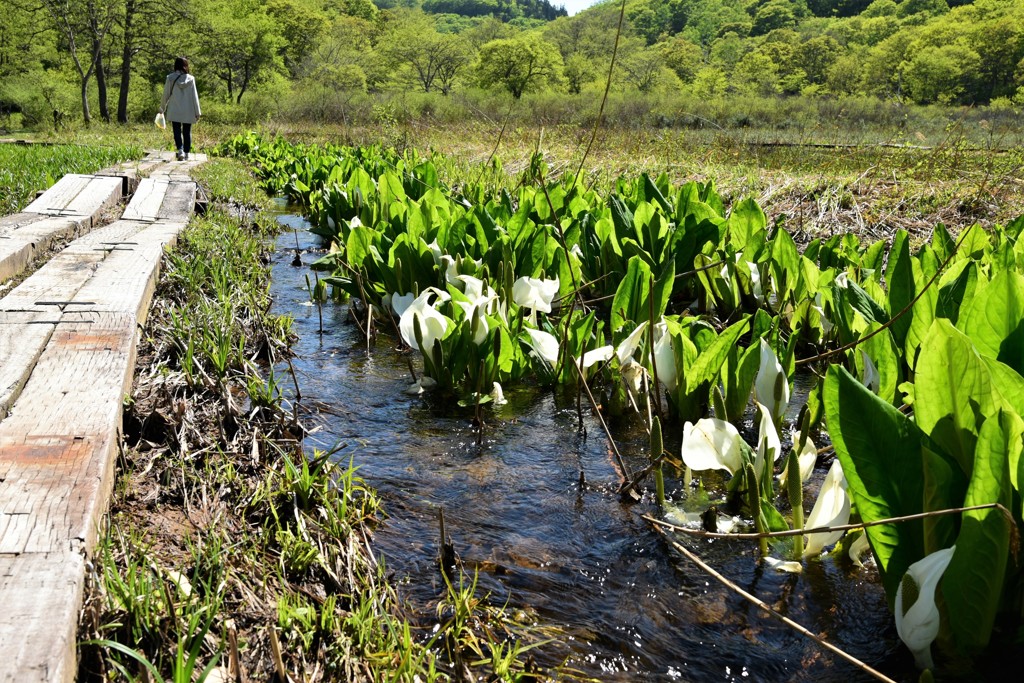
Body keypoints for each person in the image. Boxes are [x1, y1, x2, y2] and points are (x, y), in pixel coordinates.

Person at [160, 57, 201, 161]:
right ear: (186, 66)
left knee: (176, 131)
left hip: (175, 109)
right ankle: (187, 153)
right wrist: (197, 112)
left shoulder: (170, 78)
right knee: (187, 132)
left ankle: (180, 150)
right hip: (188, 110)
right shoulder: (191, 79)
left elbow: (166, 95)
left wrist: (162, 108)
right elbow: (194, 96)